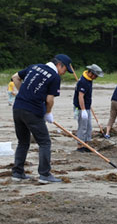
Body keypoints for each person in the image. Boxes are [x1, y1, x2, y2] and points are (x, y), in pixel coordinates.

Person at [11, 54, 73, 184]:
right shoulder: (54, 76)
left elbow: (15, 77)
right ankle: (44, 174)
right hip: (32, 111)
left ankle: (17, 172)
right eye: (65, 70)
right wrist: (48, 113)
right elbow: (49, 99)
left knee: (23, 142)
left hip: (18, 107)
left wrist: (24, 93)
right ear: (59, 65)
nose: (64, 73)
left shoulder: (35, 67)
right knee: (45, 142)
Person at [73, 64, 104, 152]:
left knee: (88, 127)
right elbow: (80, 96)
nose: (96, 77)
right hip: (80, 108)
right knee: (82, 127)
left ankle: (86, 145)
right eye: (96, 75)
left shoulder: (89, 80)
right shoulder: (83, 81)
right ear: (91, 73)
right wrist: (83, 110)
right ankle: (80, 146)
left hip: (87, 106)